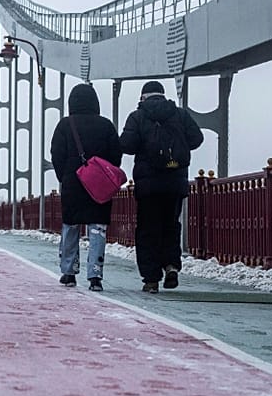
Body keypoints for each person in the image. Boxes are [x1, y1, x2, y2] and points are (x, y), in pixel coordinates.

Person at [120, 79, 204, 293]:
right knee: (171, 226)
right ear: (163, 95)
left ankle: (150, 279)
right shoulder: (180, 114)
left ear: (143, 97)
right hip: (175, 181)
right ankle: (171, 266)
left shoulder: (137, 116)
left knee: (147, 229)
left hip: (148, 185)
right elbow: (197, 139)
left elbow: (127, 146)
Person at [49, 82, 122, 292]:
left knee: (71, 226)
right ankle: (95, 276)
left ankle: (69, 272)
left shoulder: (65, 125)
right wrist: (104, 172)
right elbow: (116, 154)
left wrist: (64, 175)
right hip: (98, 184)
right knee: (97, 228)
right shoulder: (106, 125)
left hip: (72, 181)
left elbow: (56, 154)